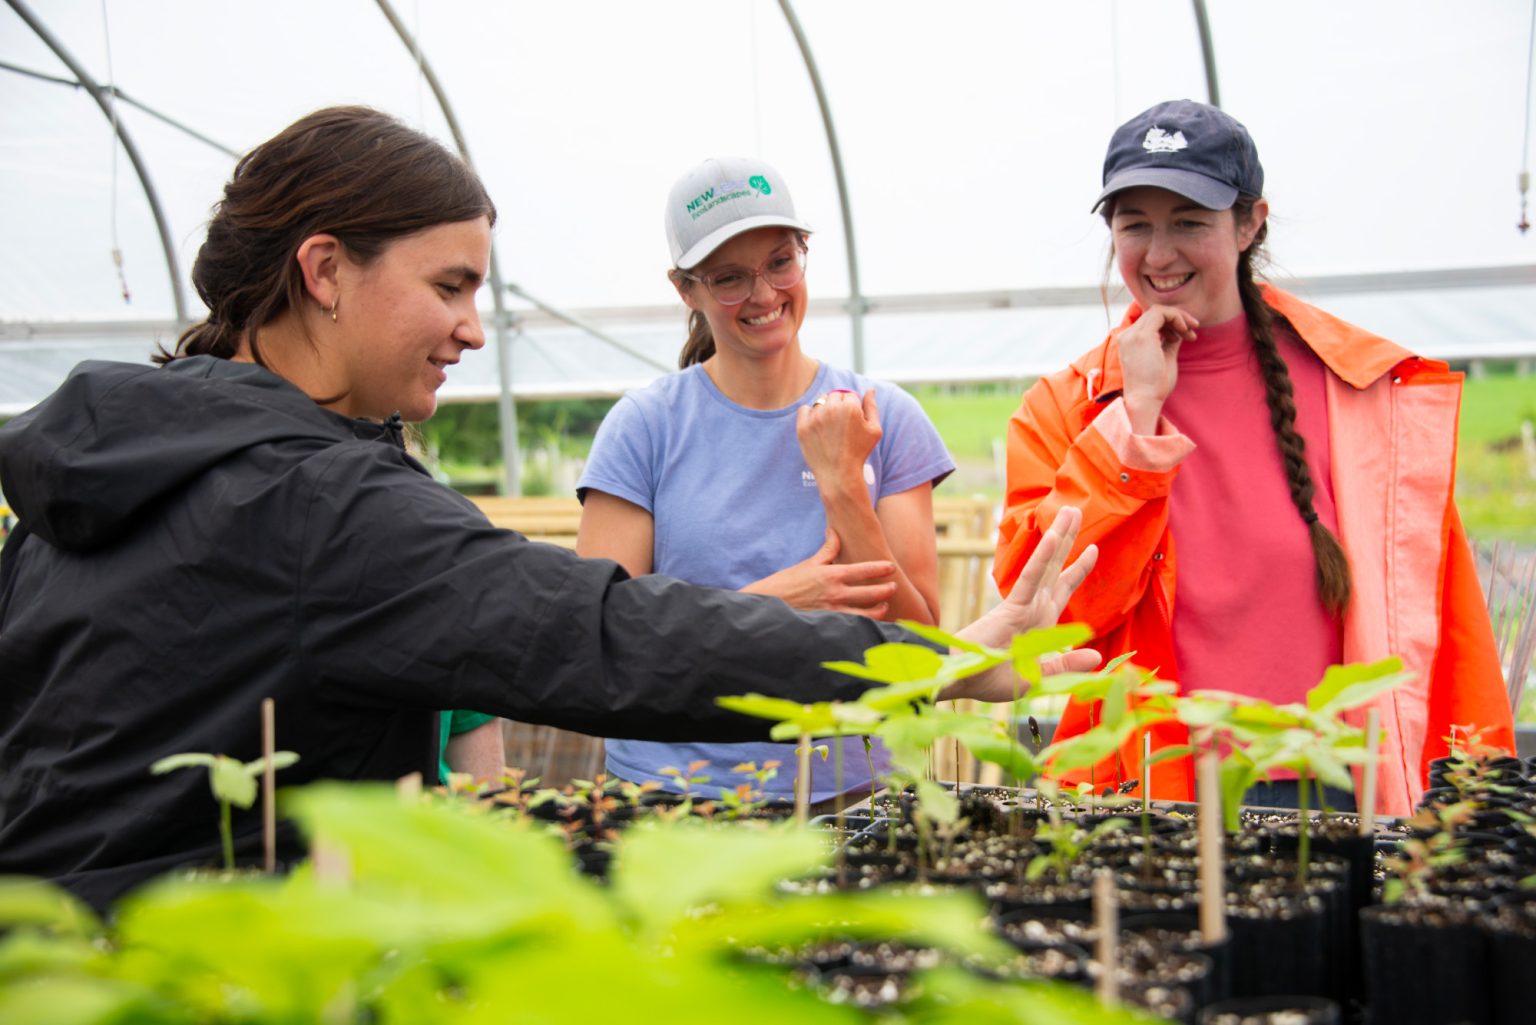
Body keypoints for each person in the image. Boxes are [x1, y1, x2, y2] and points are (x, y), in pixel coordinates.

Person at [0, 107, 1097, 911]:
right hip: (204, 965)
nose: (475, 329)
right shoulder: (314, 499)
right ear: (324, 270)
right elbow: (612, 634)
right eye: (450, 286)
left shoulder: (109, 467)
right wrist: (936, 665)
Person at [992, 99, 1513, 817]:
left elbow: (1443, 621)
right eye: (1134, 223)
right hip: (1149, 787)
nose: (1160, 251)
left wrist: (1477, 785)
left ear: (1250, 223)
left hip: (1330, 782)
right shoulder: (1067, 408)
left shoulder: (1360, 390)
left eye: (1189, 221)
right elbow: (1049, 612)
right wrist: (1135, 415)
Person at [575, 157, 954, 807]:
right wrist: (767, 607)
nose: (763, 294)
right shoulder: (643, 428)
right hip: (676, 792)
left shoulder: (884, 418)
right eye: (728, 278)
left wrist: (842, 488)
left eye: (780, 262)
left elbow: (920, 654)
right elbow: (601, 650)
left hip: (854, 792)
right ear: (685, 290)